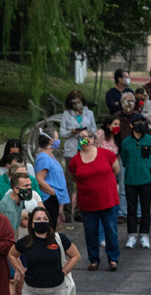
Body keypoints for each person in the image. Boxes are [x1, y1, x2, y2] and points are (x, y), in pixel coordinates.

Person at [0, 173, 43, 295]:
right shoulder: (8, 207)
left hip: (15, 249)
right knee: (9, 294)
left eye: (29, 186)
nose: (29, 190)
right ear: (15, 189)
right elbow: (9, 238)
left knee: (17, 292)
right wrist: (15, 266)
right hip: (8, 253)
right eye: (25, 187)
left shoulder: (20, 202)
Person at [67, 130, 120, 272]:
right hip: (87, 203)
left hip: (107, 200)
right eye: (82, 138)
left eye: (89, 137)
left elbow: (116, 169)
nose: (86, 140)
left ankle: (113, 258)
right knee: (91, 232)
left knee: (110, 230)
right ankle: (94, 259)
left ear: (94, 139)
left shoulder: (106, 154)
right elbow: (73, 176)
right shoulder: (75, 160)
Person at [120, 114, 151, 250]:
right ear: (131, 125)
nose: (141, 125)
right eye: (137, 122)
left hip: (146, 180)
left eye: (142, 122)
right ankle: (131, 235)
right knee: (131, 209)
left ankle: (144, 235)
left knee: (145, 209)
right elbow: (124, 160)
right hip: (131, 180)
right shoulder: (126, 142)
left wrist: (149, 170)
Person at [59, 89, 96, 218]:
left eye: (79, 102)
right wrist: (72, 132)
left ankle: (81, 210)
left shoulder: (89, 113)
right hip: (72, 149)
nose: (77, 105)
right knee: (69, 180)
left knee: (84, 179)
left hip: (85, 148)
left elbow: (94, 130)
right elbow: (62, 133)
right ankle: (68, 211)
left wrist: (87, 134)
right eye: (74, 103)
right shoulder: (66, 115)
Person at [34, 130, 70, 229]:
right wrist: (53, 192)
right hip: (49, 199)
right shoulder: (43, 158)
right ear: (50, 141)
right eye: (57, 138)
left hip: (55, 198)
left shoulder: (51, 156)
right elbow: (39, 180)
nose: (58, 140)